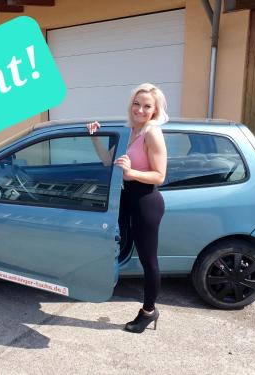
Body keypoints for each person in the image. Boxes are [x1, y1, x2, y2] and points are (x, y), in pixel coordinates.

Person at [87, 83, 168, 333]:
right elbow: (106, 161)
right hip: (126, 199)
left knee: (148, 259)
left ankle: (149, 311)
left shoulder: (151, 133)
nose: (140, 109)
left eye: (147, 106)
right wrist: (96, 138)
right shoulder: (129, 130)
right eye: (137, 103)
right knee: (115, 246)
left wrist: (131, 173)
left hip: (146, 202)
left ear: (154, 111)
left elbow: (160, 176)